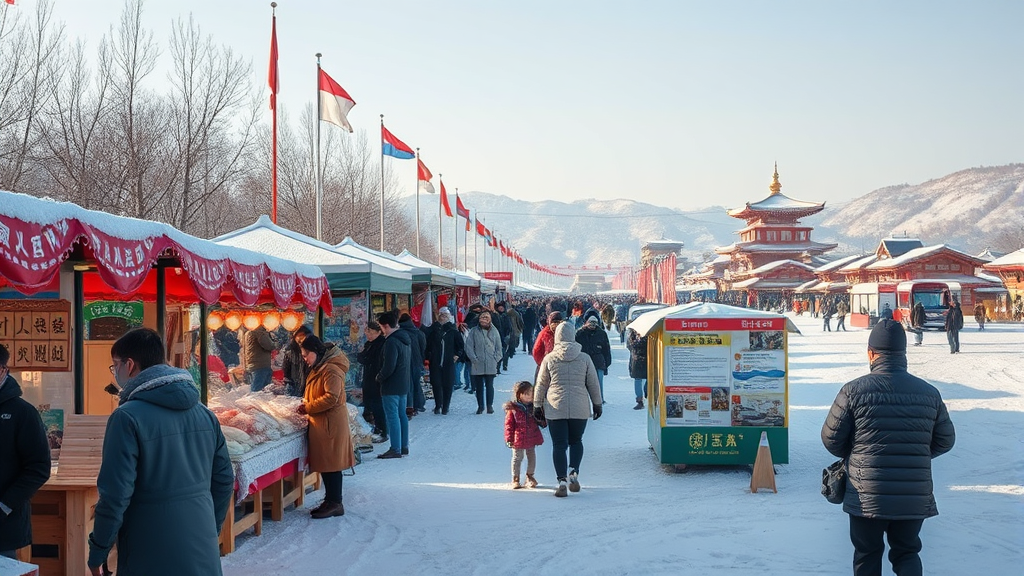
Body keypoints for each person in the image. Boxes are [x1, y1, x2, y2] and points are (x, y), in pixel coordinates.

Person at [88, 328, 233, 576]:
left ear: (130, 364)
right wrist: (210, 527)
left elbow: (115, 495)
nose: (116, 374)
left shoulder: (126, 417)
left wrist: (99, 549)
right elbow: (224, 480)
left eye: (115, 366)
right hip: (201, 545)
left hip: (148, 548)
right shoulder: (205, 414)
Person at [821, 319, 955, 576]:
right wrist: (916, 454)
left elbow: (831, 439)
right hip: (912, 493)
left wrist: (858, 454)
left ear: (871, 353)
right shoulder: (929, 393)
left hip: (865, 493)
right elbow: (945, 440)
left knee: (867, 554)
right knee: (907, 552)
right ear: (903, 353)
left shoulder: (853, 391)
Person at [534, 322, 602, 497]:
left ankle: (561, 480)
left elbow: (541, 384)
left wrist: (536, 404)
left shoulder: (549, 358)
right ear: (573, 336)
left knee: (559, 445)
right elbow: (593, 383)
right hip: (579, 405)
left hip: (556, 405)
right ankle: (574, 472)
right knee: (576, 441)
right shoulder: (584, 358)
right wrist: (597, 403)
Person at [0, 345, 51, 560]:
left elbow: (39, 467)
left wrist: (4, 506)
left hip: (3, 529)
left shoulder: (23, 412)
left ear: (3, 370)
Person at [299, 335, 354, 519]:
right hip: (323, 422)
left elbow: (332, 397)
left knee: (332, 464)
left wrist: (308, 407)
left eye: (306, 355)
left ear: (315, 352)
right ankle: (330, 500)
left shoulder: (330, 369)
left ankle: (335, 502)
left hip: (330, 423)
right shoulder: (321, 367)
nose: (305, 359)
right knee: (327, 464)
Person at [376, 312, 411, 459]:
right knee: (401, 414)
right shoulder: (404, 339)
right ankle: (404, 446)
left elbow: (389, 365)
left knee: (392, 416)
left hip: (391, 385)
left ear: (385, 326)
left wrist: (379, 377)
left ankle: (395, 448)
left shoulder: (391, 342)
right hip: (403, 383)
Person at [504, 381, 545, 489]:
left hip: (531, 436)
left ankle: (530, 476)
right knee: (517, 458)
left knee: (531, 456)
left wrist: (542, 420)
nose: (530, 395)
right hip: (518, 438)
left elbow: (541, 421)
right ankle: (515, 478)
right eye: (526, 393)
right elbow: (509, 425)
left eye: (531, 392)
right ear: (519, 395)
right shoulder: (513, 409)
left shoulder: (535, 407)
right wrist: (509, 438)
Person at [425, 308, 465, 415]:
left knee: (448, 384)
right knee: (436, 384)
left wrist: (457, 355)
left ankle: (445, 406)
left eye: (445, 315)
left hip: (448, 362)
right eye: (441, 315)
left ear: (449, 317)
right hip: (435, 362)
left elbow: (460, 345)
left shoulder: (453, 330)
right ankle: (438, 404)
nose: (443, 317)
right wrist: (428, 356)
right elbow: (427, 345)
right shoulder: (433, 330)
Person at [464, 310, 503, 414]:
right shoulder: (473, 331)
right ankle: (480, 406)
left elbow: (499, 347)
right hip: (477, 363)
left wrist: (496, 359)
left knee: (489, 385)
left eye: (486, 318)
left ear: (490, 319)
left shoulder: (494, 331)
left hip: (491, 362)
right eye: (482, 317)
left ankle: (489, 406)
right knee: (479, 386)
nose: (484, 320)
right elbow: (469, 346)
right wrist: (474, 359)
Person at [358, 321, 387, 442]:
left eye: (370, 332)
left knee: (378, 406)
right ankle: (376, 428)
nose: (367, 334)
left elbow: (368, 359)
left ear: (378, 332)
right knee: (372, 405)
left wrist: (362, 356)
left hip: (375, 379)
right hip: (369, 378)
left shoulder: (380, 344)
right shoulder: (369, 344)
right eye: (367, 331)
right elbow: (363, 357)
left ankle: (382, 430)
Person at [575, 316, 611, 403]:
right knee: (584, 382)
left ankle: (599, 399)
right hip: (584, 362)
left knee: (598, 383)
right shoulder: (580, 333)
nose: (592, 325)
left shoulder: (601, 333)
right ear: (586, 322)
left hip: (599, 362)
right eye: (590, 322)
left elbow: (606, 349)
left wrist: (607, 363)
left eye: (594, 323)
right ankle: (585, 400)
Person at [398, 313, 427, 414]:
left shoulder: (400, 334)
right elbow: (423, 348)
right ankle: (419, 404)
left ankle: (410, 406)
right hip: (417, 362)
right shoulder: (418, 332)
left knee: (408, 385)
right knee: (416, 383)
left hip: (405, 362)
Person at [281, 325, 313, 397]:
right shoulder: (290, 353)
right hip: (295, 389)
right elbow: (286, 373)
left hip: (309, 389)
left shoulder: (313, 352)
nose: (301, 340)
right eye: (299, 337)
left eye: (303, 336)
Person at [244, 324, 276, 391]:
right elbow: (269, 345)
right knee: (261, 392)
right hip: (261, 365)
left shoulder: (248, 332)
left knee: (257, 391)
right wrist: (276, 343)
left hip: (253, 365)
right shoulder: (259, 332)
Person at [627, 327, 649, 410]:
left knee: (644, 380)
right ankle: (640, 400)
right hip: (639, 360)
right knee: (640, 380)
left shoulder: (633, 335)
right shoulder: (647, 335)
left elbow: (630, 346)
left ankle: (643, 399)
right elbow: (631, 346)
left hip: (640, 360)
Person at [493, 302, 513, 373]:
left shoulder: (506, 316)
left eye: (502, 308)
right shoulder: (495, 316)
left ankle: (504, 365)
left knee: (504, 352)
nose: (501, 309)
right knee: (498, 352)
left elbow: (509, 326)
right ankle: (497, 368)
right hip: (497, 336)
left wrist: (508, 333)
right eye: (500, 308)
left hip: (505, 336)